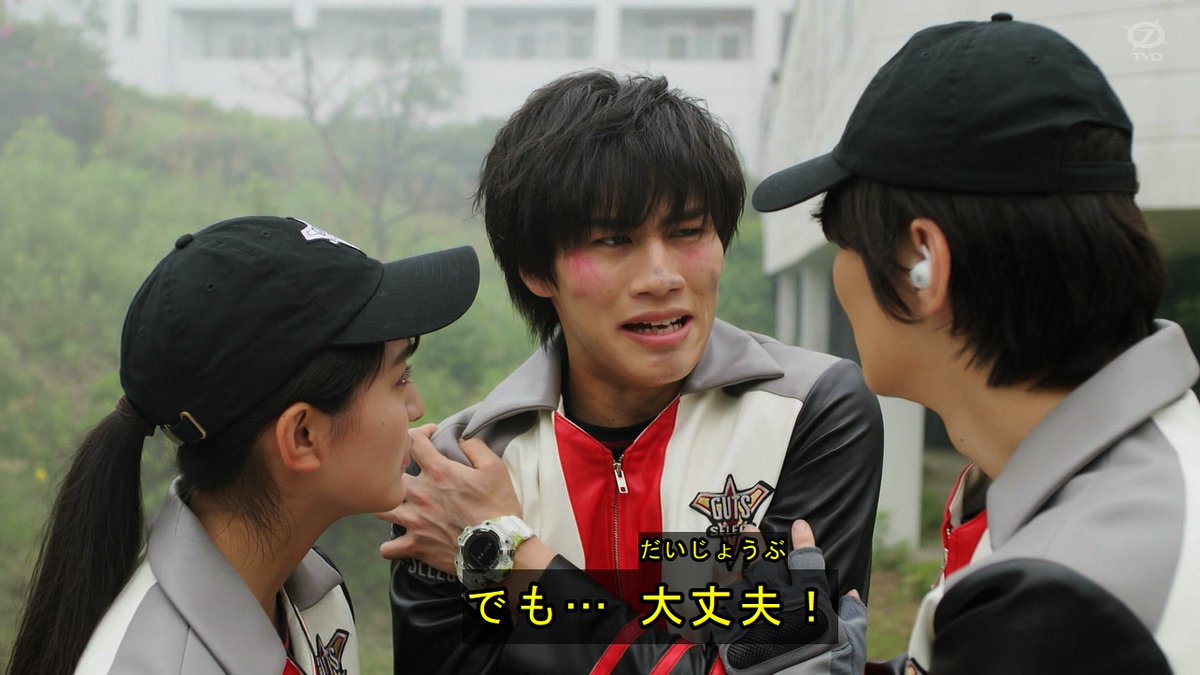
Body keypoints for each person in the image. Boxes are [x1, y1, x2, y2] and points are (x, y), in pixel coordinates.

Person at [381, 71, 882, 674]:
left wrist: (509, 557)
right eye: (615, 239)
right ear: (536, 270)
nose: (663, 277)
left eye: (688, 231)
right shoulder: (455, 472)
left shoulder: (811, 413)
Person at [753, 13, 1198, 674]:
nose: (842, 269)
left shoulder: (1058, 604)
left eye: (842, 240)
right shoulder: (1122, 480)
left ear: (923, 262)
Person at [5, 216, 479, 675]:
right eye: (400, 378)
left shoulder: (310, 595)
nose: (416, 407)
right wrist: (502, 561)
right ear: (302, 436)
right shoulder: (154, 663)